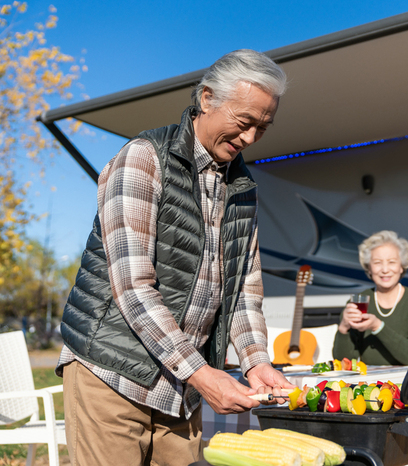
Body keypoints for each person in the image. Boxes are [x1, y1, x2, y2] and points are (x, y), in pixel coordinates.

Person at [55, 49, 295, 466]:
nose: (251, 139)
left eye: (263, 127)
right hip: (112, 374)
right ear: (206, 99)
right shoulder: (144, 159)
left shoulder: (243, 187)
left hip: (181, 388)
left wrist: (256, 363)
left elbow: (243, 291)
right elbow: (132, 288)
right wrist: (203, 376)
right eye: (244, 122)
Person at [333, 230, 408, 366]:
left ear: (401, 267)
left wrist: (377, 326)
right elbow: (343, 362)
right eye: (377, 262)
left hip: (405, 381)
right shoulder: (358, 301)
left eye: (392, 262)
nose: (385, 269)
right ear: (369, 268)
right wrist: (343, 328)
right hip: (367, 383)